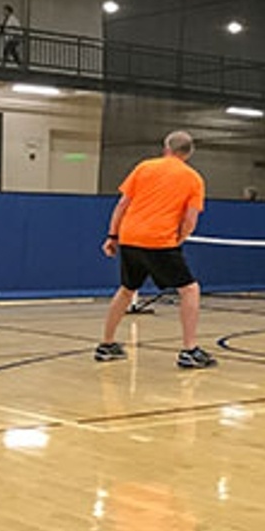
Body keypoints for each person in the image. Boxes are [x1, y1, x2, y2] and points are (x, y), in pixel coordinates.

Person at [99, 131, 215, 369]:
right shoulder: (193, 178)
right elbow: (190, 219)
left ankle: (106, 344)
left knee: (127, 289)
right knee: (190, 290)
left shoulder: (144, 168)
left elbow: (122, 204)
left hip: (130, 237)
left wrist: (113, 235)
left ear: (166, 148)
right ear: (189, 153)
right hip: (160, 241)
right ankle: (189, 350)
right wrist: (178, 239)